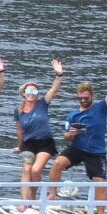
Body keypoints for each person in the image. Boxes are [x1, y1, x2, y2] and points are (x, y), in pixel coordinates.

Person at [48, 61, 107, 214]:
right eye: (81, 99)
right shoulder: (72, 115)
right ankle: (52, 194)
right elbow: (65, 136)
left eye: (86, 98)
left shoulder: (101, 108)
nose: (84, 101)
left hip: (95, 151)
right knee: (57, 164)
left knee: (99, 182)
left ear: (92, 96)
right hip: (77, 148)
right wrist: (71, 134)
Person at [14, 61, 66, 204]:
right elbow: (20, 130)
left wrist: (58, 74)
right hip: (29, 143)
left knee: (36, 171)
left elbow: (53, 89)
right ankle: (24, 202)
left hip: (45, 142)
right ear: (24, 94)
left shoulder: (42, 104)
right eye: (29, 91)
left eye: (34, 91)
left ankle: (33, 195)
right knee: (26, 170)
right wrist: (20, 146)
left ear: (37, 94)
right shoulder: (18, 111)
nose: (31, 94)